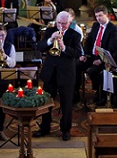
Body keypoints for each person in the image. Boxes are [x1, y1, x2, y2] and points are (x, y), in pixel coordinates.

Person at [34, 11, 82, 141]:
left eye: (64, 23)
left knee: (66, 103)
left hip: (66, 74)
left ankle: (65, 130)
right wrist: (50, 40)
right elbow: (40, 47)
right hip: (50, 72)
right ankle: (44, 127)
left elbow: (77, 53)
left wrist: (64, 47)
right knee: (47, 102)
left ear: (69, 22)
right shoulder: (50, 31)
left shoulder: (75, 35)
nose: (61, 26)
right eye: (59, 23)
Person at [75, 5, 117, 105]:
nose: (98, 18)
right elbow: (89, 42)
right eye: (97, 16)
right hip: (92, 55)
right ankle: (76, 94)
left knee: (93, 71)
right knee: (77, 66)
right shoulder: (95, 25)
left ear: (106, 15)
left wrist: (100, 60)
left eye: (100, 16)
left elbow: (112, 48)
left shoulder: (113, 29)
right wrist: (84, 55)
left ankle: (100, 95)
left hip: (104, 58)